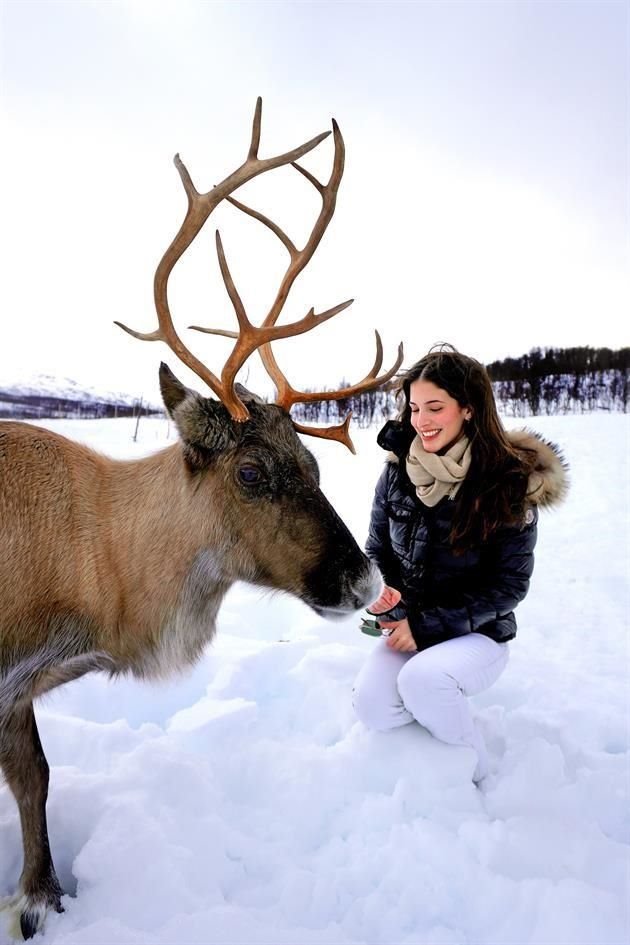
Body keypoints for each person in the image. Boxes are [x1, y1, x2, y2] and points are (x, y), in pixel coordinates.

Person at [352, 345, 568, 783]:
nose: (421, 421)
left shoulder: (508, 482)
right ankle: (428, 760)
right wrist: (385, 596)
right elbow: (378, 550)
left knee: (422, 683)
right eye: (414, 408)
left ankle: (477, 774)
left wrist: (427, 626)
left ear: (468, 409)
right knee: (373, 706)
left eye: (435, 407)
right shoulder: (397, 472)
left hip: (479, 635)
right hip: (410, 627)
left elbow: (509, 586)